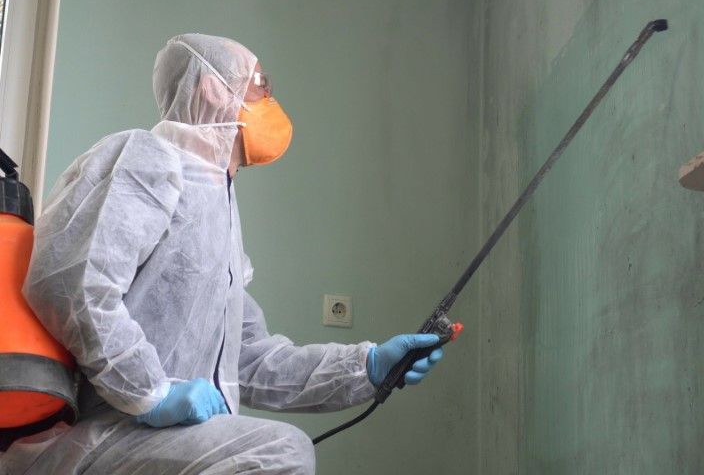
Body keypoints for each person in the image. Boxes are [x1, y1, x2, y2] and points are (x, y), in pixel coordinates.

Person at [0, 33, 443, 475]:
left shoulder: (218, 210)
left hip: (165, 445)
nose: (270, 96)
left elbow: (250, 361)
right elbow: (71, 282)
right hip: (104, 435)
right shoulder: (148, 159)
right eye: (260, 82)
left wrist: (366, 367)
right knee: (278, 452)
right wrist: (151, 395)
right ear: (212, 88)